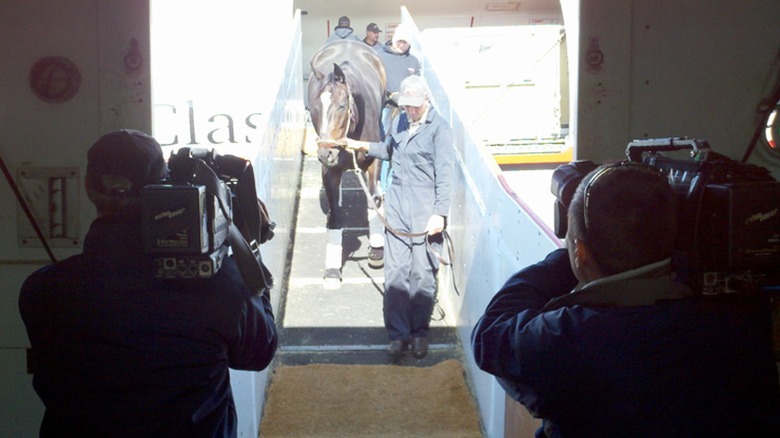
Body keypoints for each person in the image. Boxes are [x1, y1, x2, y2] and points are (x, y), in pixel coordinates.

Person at [471, 162, 780, 437]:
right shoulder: (741, 314)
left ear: (579, 253)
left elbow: (491, 334)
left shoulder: (567, 341)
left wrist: (580, 245)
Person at [18, 129, 278, 437]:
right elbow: (259, 353)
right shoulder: (219, 287)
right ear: (162, 186)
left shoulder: (42, 290)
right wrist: (248, 251)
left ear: (88, 187)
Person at [346, 75, 454, 359]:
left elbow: (445, 176)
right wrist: (362, 146)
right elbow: (389, 150)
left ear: (426, 101)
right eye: (406, 105)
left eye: (414, 106)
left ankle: (419, 334)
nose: (410, 111)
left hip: (425, 206)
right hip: (397, 202)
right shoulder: (399, 122)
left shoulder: (440, 130)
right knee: (395, 273)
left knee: (422, 273)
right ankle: (398, 335)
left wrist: (439, 214)